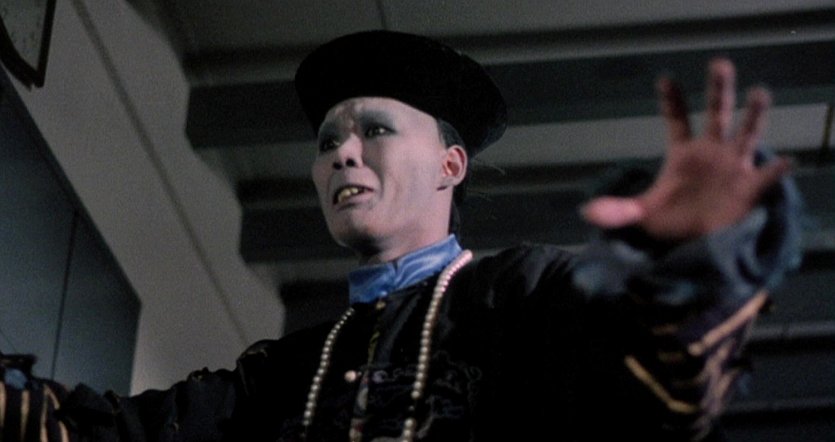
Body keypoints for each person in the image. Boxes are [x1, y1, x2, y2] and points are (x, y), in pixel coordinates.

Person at [0, 30, 801, 441]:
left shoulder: (524, 294)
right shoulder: (286, 372)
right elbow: (103, 431)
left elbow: (664, 380)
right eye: (327, 142)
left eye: (374, 129)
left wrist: (696, 251)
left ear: (451, 164)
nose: (341, 153)